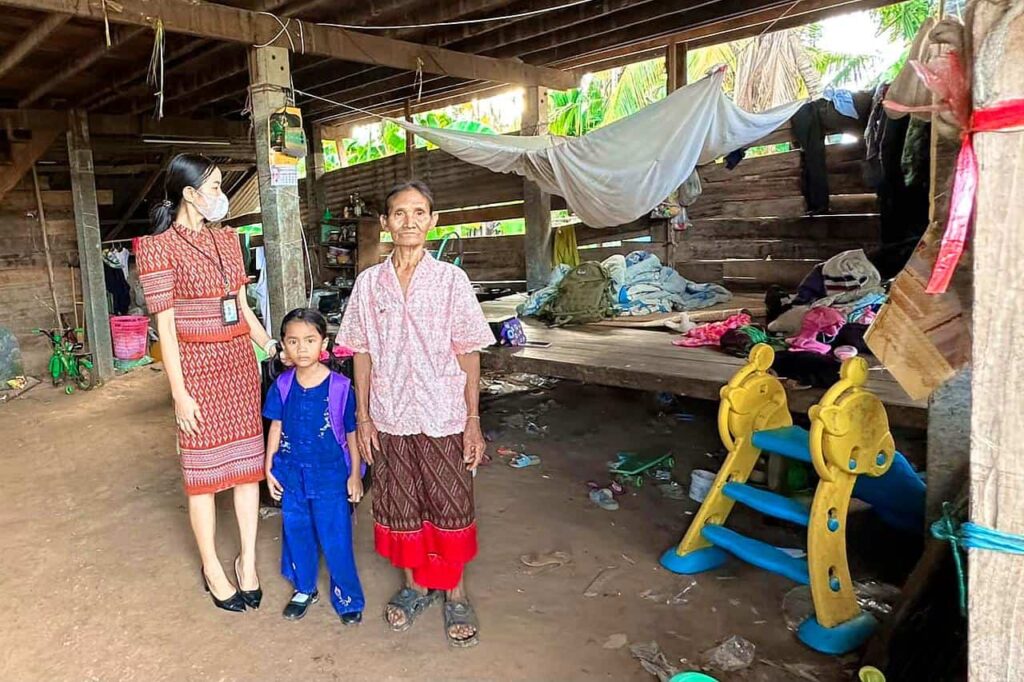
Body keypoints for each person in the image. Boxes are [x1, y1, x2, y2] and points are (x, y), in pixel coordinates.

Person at [338, 180, 495, 647]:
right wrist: (363, 418)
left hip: (443, 412)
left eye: (419, 212)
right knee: (399, 503)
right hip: (389, 414)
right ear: (385, 223)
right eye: (399, 213)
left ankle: (456, 594)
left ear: (433, 220)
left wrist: (473, 420)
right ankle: (413, 587)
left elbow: (469, 353)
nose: (409, 221)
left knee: (450, 504)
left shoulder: (451, 281)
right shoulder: (369, 283)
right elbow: (360, 352)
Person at [136, 154, 279, 613]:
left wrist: (271, 345)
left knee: (244, 471)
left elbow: (241, 306)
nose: (222, 197)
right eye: (215, 188)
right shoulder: (159, 248)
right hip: (196, 369)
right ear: (189, 194)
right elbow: (167, 330)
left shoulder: (227, 240)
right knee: (202, 479)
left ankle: (248, 562)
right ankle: (212, 567)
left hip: (239, 365)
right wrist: (179, 394)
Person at [263, 308, 366, 624]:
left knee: (336, 535)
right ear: (283, 345)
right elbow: (276, 427)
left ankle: (347, 596)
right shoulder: (282, 385)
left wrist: (354, 475)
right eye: (293, 341)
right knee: (297, 530)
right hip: (291, 472)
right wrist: (269, 468)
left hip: (331, 475)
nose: (301, 348)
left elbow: (351, 432)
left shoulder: (340, 387)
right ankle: (304, 587)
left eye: (310, 340)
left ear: (324, 343)